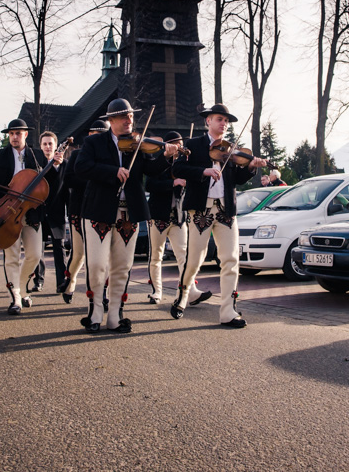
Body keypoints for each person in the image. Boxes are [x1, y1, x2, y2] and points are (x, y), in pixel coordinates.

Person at [74, 99, 177, 333]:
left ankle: (115, 316)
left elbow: (151, 170)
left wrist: (166, 156)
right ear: (111, 120)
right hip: (98, 211)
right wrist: (113, 171)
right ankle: (95, 312)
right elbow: (81, 167)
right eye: (123, 116)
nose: (129, 119)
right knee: (97, 265)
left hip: (128, 213)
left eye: (130, 115)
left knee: (122, 266)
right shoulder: (94, 142)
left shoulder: (138, 144)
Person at [171, 103, 267, 328]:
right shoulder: (193, 145)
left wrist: (251, 167)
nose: (224, 123)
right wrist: (203, 171)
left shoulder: (232, 149)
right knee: (195, 258)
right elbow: (177, 169)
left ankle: (228, 312)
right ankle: (183, 296)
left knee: (231, 259)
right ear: (208, 121)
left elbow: (238, 180)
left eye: (226, 121)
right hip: (201, 210)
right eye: (219, 119)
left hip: (226, 210)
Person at [0, 118, 61, 315]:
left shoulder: (37, 155)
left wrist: (55, 166)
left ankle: (22, 286)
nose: (14, 137)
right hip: (6, 213)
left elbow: (50, 184)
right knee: (12, 257)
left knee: (34, 255)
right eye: (11, 133)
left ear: (26, 134)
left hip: (32, 213)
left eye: (18, 133)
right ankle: (15, 297)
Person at [144, 131, 210, 306]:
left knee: (183, 255)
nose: (181, 148)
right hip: (158, 215)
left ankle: (190, 291)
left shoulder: (184, 164)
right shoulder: (158, 161)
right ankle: (156, 291)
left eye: (181, 145)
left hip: (178, 216)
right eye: (177, 145)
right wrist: (173, 183)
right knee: (156, 256)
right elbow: (149, 185)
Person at [59, 119, 108, 304]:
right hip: (79, 209)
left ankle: (98, 294)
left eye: (102, 135)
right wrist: (95, 177)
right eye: (95, 134)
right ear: (89, 136)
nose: (99, 138)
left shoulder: (110, 156)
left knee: (100, 257)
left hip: (101, 210)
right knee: (79, 253)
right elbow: (69, 180)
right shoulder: (77, 154)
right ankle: (70, 281)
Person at [39, 131, 69, 294]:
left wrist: (56, 165)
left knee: (59, 247)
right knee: (38, 248)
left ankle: (61, 282)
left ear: (56, 146)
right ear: (40, 146)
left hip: (57, 212)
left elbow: (65, 190)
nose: (48, 147)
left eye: (50, 144)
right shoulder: (37, 163)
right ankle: (38, 280)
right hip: (39, 211)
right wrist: (51, 166)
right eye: (44, 144)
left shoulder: (65, 165)